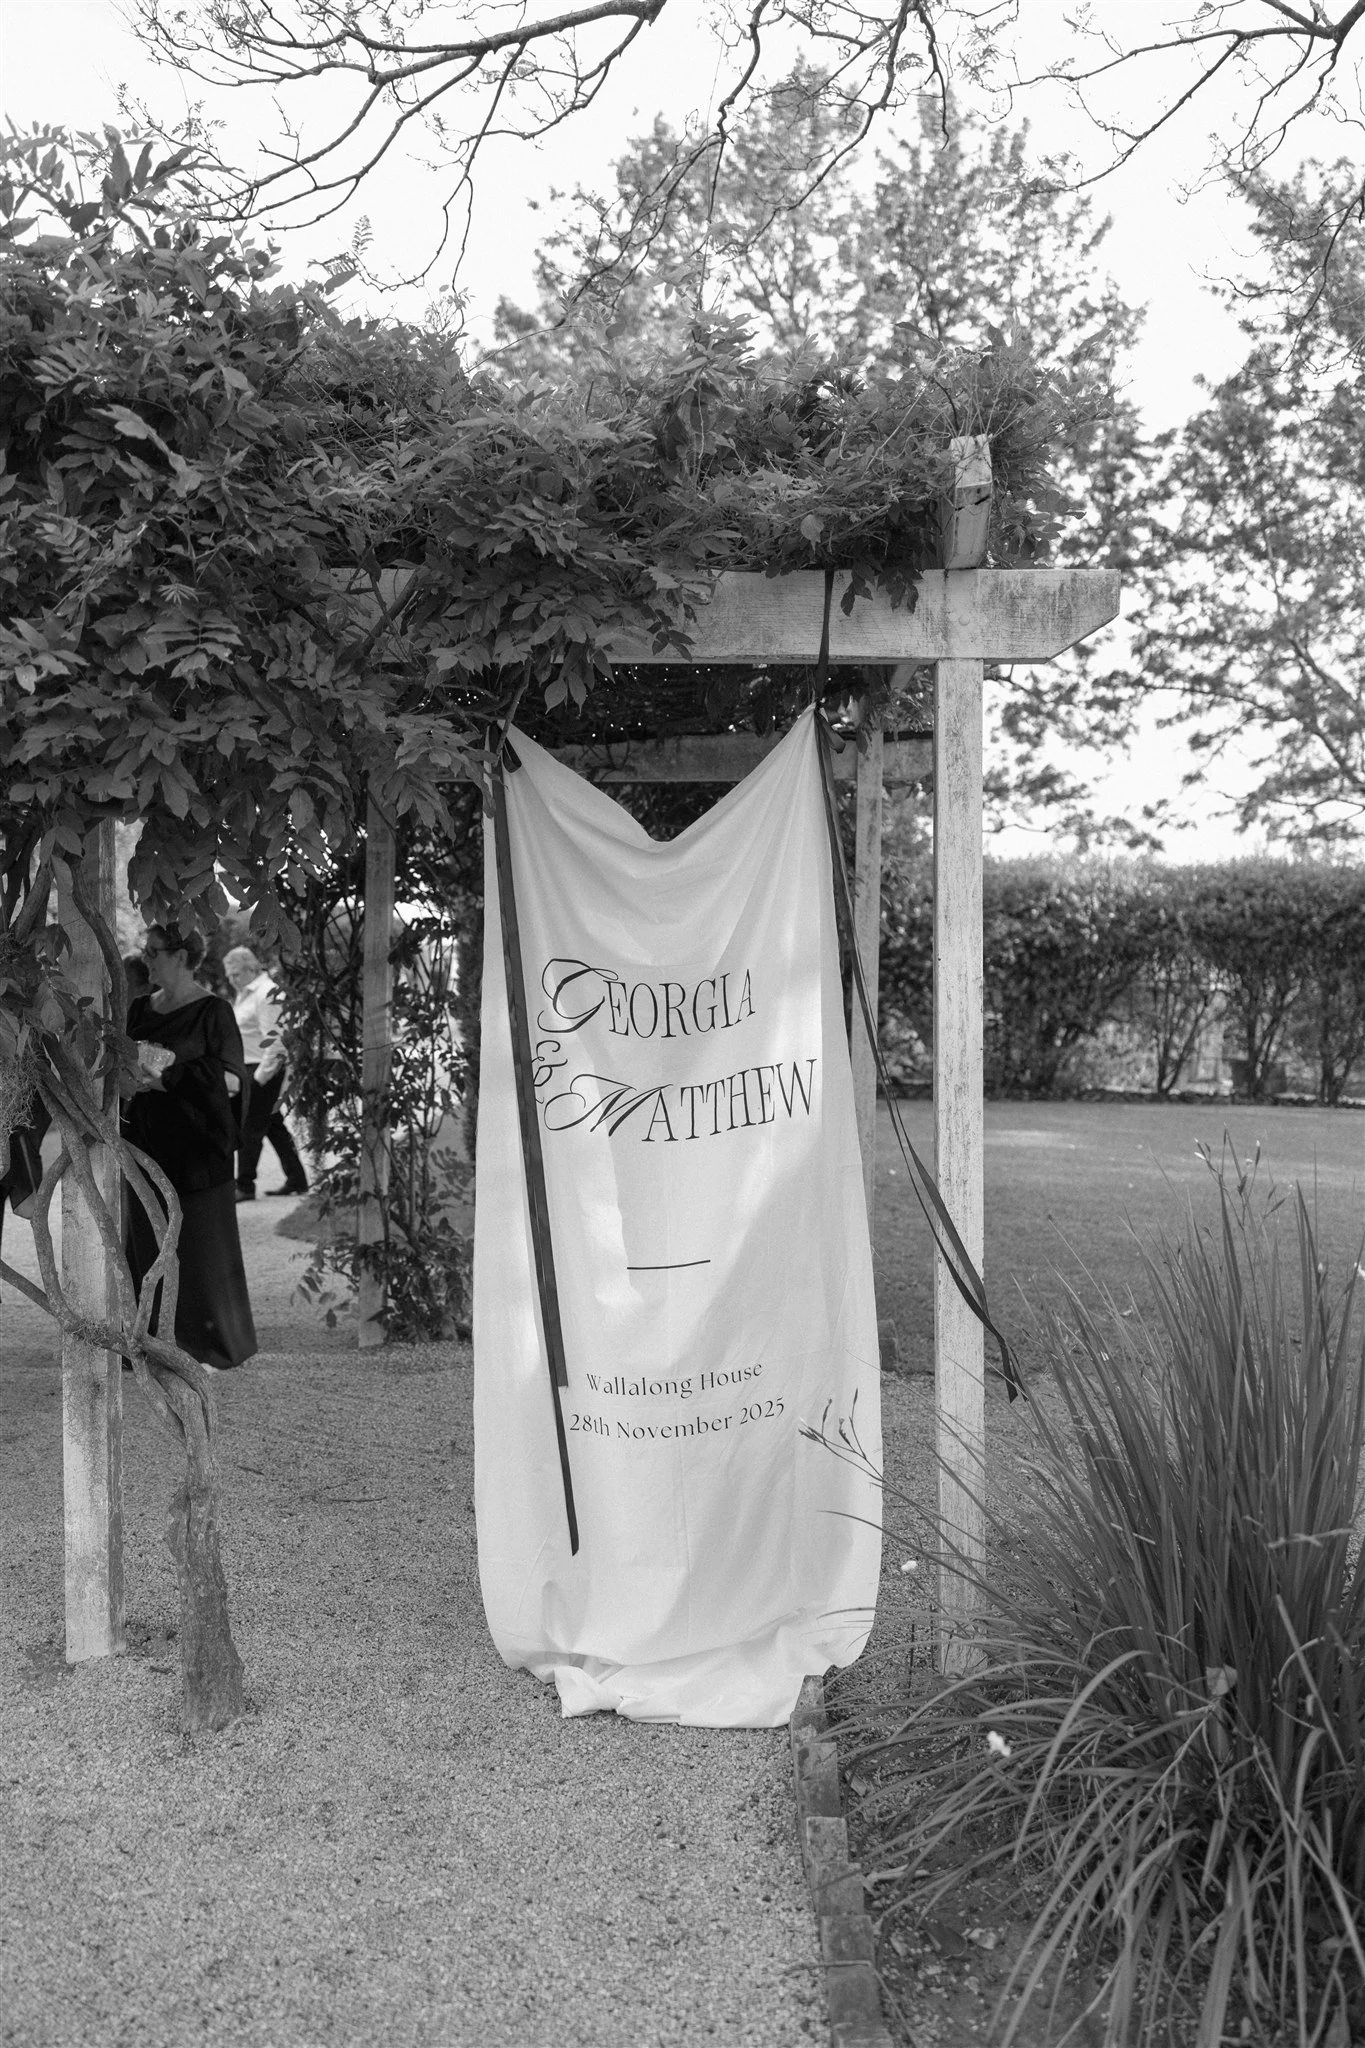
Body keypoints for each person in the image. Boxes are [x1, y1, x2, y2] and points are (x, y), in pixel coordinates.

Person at [121, 923, 257, 1371]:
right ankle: (152, 1343)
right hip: (144, 1144)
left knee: (199, 1247)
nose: (146, 958)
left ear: (181, 956)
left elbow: (235, 1082)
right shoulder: (139, 1008)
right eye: (146, 949)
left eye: (154, 950)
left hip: (199, 1150)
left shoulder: (213, 1012)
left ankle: (206, 1344)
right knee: (147, 1244)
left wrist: (170, 1078)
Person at [222, 945, 308, 1201]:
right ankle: (297, 1178)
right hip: (249, 1068)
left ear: (251, 968)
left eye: (235, 973)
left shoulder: (266, 994)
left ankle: (245, 1185)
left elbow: (277, 1043)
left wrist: (257, 1080)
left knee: (249, 1130)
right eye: (229, 974)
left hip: (262, 1070)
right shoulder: (246, 994)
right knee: (272, 1125)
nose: (231, 979)